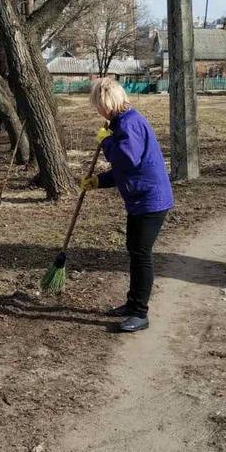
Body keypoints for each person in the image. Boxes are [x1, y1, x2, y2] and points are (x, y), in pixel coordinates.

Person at [80, 78, 173, 333]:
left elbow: (127, 159)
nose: (97, 111)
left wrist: (106, 141)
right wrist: (99, 181)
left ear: (107, 103)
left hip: (150, 200)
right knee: (134, 251)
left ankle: (140, 314)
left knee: (141, 255)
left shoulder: (129, 123)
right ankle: (133, 304)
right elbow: (125, 168)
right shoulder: (122, 121)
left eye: (98, 106)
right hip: (140, 198)